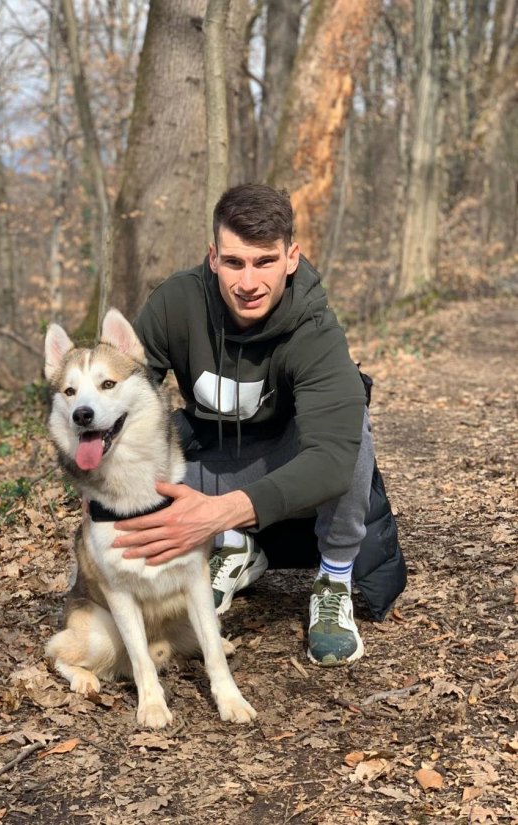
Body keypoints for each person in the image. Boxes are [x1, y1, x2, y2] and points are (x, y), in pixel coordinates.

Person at [111, 183, 404, 666]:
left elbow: (331, 461)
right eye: (234, 262)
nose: (248, 282)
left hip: (290, 463)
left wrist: (218, 513)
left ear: (291, 258)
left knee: (351, 432)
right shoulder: (175, 304)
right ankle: (234, 547)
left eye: (264, 261)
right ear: (213, 257)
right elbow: (120, 397)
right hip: (214, 460)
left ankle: (333, 580)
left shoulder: (314, 329)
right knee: (131, 446)